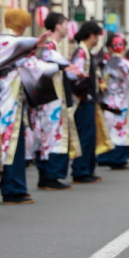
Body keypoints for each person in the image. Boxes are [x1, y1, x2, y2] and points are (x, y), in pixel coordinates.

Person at [0, 9, 51, 205]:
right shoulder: (12, 44)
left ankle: (12, 186)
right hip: (8, 105)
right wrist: (59, 66)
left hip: (6, 101)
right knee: (12, 147)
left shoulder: (10, 45)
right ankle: (13, 188)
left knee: (8, 148)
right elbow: (36, 67)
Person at [32, 12, 79, 190]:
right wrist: (69, 66)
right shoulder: (49, 46)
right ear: (58, 26)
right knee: (54, 137)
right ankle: (51, 176)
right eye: (66, 24)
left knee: (47, 137)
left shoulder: (52, 46)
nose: (68, 28)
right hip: (52, 100)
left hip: (49, 99)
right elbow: (55, 64)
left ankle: (46, 176)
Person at [69, 20, 105, 184]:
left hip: (89, 99)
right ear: (92, 35)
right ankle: (81, 170)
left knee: (89, 136)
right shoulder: (82, 53)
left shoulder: (85, 52)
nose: (98, 39)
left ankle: (87, 169)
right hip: (83, 101)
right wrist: (84, 94)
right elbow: (76, 76)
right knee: (85, 136)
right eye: (97, 36)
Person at [97, 33, 129, 170]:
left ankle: (107, 157)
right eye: (116, 44)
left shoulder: (105, 63)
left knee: (110, 129)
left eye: (121, 44)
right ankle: (117, 159)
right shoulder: (122, 63)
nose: (119, 47)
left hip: (111, 100)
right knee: (117, 131)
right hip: (118, 102)